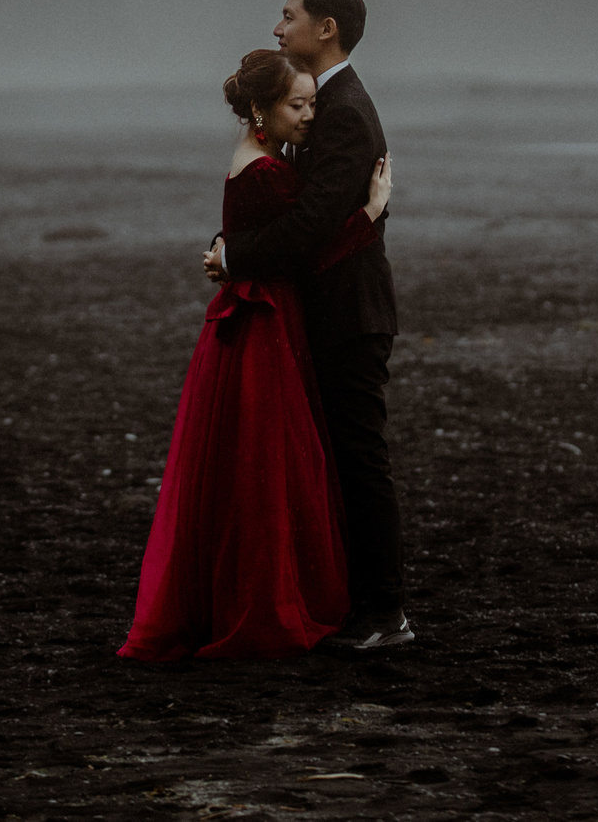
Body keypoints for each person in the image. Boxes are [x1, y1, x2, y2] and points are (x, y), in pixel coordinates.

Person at [118, 48, 393, 660]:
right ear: (261, 112)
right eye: (298, 105)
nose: (310, 116)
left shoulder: (261, 159)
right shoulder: (265, 170)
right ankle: (272, 601)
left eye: (312, 103)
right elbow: (302, 248)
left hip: (256, 316)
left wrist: (231, 249)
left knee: (253, 468)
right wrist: (369, 214)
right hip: (268, 323)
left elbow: (262, 236)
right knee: (273, 466)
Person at [204, 0, 410, 653]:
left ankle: (386, 613)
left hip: (349, 313)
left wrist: (235, 256)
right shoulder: (321, 104)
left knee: (358, 459)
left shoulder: (344, 108)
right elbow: (305, 215)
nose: (277, 27)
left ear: (326, 28)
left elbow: (313, 226)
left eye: (288, 16)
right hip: (325, 309)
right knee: (339, 458)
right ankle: (359, 604)